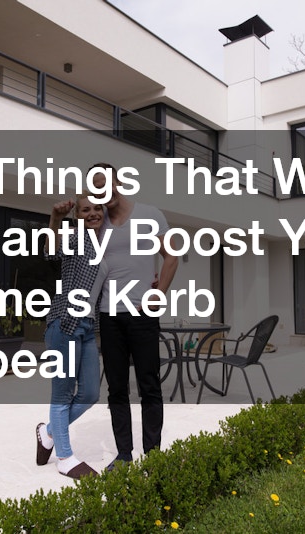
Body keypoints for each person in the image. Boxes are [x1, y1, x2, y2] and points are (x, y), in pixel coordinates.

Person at [91, 163, 179, 470]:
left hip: (142, 316)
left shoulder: (150, 214)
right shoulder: (97, 224)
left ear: (118, 181)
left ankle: (152, 454)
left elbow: (172, 255)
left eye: (106, 183)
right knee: (116, 388)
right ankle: (125, 454)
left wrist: (159, 293)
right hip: (108, 315)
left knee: (149, 385)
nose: (103, 192)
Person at [35, 194, 107, 479]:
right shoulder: (77, 237)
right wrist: (55, 220)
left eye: (97, 208)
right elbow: (51, 252)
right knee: (62, 394)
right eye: (85, 210)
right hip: (64, 322)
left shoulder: (106, 244)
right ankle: (64, 456)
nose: (92, 213)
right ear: (77, 216)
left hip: (88, 327)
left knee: (90, 393)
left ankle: (48, 432)